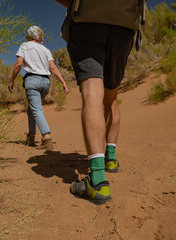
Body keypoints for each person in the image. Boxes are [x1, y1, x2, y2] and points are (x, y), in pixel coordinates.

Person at [55, 0, 144, 204]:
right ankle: (110, 159)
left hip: (87, 22)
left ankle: (97, 181)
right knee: (111, 96)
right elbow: (141, 5)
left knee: (92, 92)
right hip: (124, 28)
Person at [8, 26, 69, 150]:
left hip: (32, 81)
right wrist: (63, 82)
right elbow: (53, 68)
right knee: (31, 109)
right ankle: (31, 137)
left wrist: (11, 80)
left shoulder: (25, 45)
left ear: (29, 35)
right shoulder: (45, 49)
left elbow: (19, 64)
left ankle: (46, 138)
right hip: (46, 82)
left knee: (36, 109)